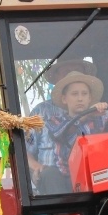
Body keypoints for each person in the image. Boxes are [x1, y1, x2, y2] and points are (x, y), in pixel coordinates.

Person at [33, 71, 108, 194]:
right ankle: (63, 212)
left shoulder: (103, 117)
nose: (80, 98)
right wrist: (86, 116)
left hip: (97, 175)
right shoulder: (55, 121)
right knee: (49, 174)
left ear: (90, 98)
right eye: (74, 94)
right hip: (66, 179)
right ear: (64, 99)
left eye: (84, 94)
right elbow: (59, 134)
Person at [26, 58, 98, 187]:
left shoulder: (100, 112)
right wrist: (38, 167)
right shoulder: (41, 112)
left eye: (77, 71)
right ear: (57, 79)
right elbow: (26, 150)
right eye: (67, 72)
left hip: (93, 174)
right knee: (51, 175)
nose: (72, 75)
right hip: (54, 182)